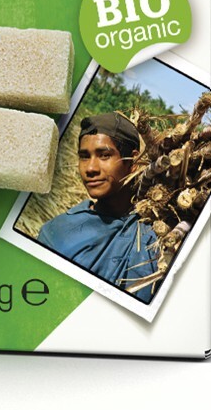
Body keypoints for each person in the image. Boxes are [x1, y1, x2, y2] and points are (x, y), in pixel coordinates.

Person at [37, 112, 158, 304]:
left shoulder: (158, 229)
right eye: (84, 157)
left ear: (133, 161)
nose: (90, 168)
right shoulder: (56, 234)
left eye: (104, 155)